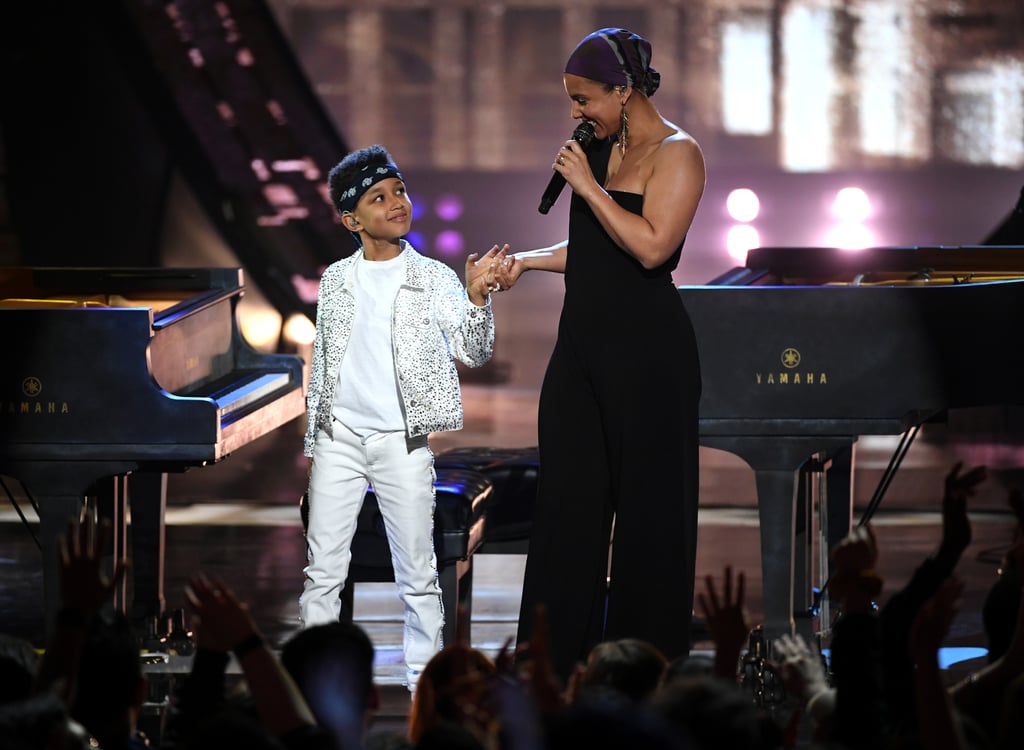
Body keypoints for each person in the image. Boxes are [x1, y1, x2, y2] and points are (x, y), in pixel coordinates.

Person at [495, 27, 706, 682]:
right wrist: (526, 262)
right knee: (567, 510)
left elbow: (650, 247)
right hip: (581, 354)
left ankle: (645, 670)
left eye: (584, 98)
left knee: (650, 516)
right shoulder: (599, 150)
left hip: (649, 359)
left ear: (626, 89)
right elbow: (592, 249)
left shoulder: (679, 154)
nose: (577, 113)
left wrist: (589, 188)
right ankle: (554, 667)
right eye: (572, 101)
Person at [300, 143, 504, 694]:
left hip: (402, 441)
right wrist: (317, 432)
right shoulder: (336, 280)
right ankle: (316, 676)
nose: (396, 203)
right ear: (351, 218)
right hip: (338, 438)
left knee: (417, 573)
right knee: (323, 572)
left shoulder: (433, 277)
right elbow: (327, 358)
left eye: (400, 191)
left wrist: (478, 298)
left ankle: (424, 683)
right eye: (378, 197)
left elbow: (475, 350)